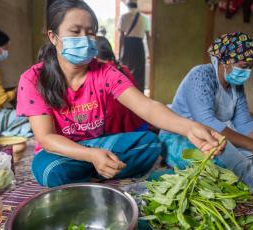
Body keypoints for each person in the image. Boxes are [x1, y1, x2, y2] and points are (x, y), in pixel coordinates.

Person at [16, 0, 225, 188]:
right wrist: (90, 155)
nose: (85, 38)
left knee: (150, 143)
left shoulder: (105, 72)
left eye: (90, 32)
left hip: (99, 145)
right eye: (75, 31)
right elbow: (46, 138)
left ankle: (96, 171)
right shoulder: (33, 79)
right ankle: (99, 169)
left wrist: (189, 128)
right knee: (48, 170)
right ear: (53, 37)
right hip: (62, 152)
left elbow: (147, 107)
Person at [159, 32, 253, 199]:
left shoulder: (236, 87)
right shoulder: (200, 76)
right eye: (244, 66)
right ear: (224, 62)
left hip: (213, 138)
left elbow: (244, 123)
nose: (248, 72)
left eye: (251, 67)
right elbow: (207, 123)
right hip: (179, 138)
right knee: (229, 166)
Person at [95, 35, 148, 134]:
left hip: (116, 128)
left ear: (93, 55)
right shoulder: (123, 68)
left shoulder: (100, 72)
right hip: (135, 122)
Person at [118, 0, 151, 92]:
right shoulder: (145, 19)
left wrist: (120, 52)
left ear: (128, 5)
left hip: (128, 46)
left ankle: (126, 93)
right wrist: (150, 53)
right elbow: (148, 37)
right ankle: (139, 93)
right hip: (139, 46)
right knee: (139, 72)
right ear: (137, 5)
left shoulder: (123, 17)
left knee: (126, 70)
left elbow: (121, 36)